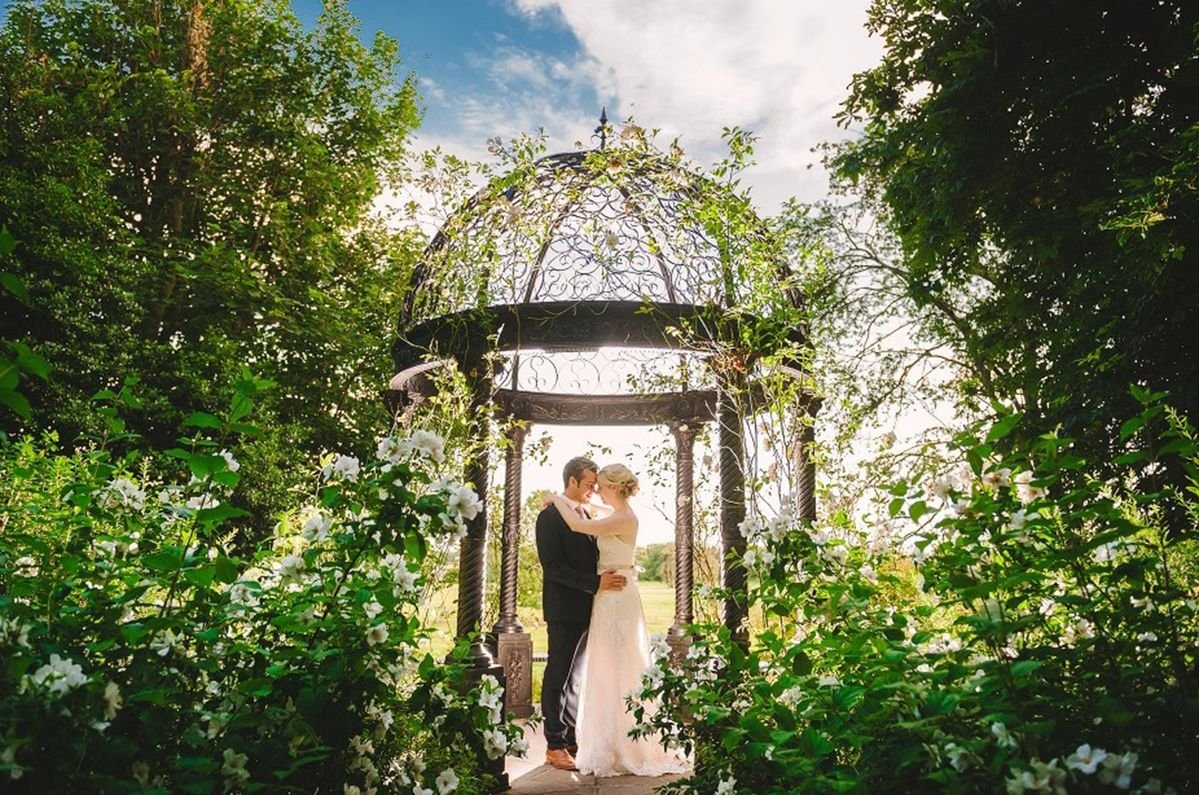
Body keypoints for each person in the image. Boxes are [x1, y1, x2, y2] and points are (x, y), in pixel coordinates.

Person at [545, 463, 689, 778]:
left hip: (617, 596)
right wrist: (570, 502)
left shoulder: (621, 518)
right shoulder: (616, 513)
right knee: (604, 669)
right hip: (607, 597)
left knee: (621, 666)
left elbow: (578, 525)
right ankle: (604, 740)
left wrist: (556, 498)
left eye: (601, 486)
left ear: (614, 487)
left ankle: (626, 743)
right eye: (592, 484)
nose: (596, 490)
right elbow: (589, 509)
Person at [535, 456, 628, 772]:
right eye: (589, 484)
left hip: (590, 607)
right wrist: (595, 582)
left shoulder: (585, 513)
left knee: (574, 679)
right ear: (572, 481)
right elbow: (553, 568)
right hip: (563, 608)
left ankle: (570, 737)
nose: (593, 490)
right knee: (557, 674)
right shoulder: (549, 518)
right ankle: (554, 744)